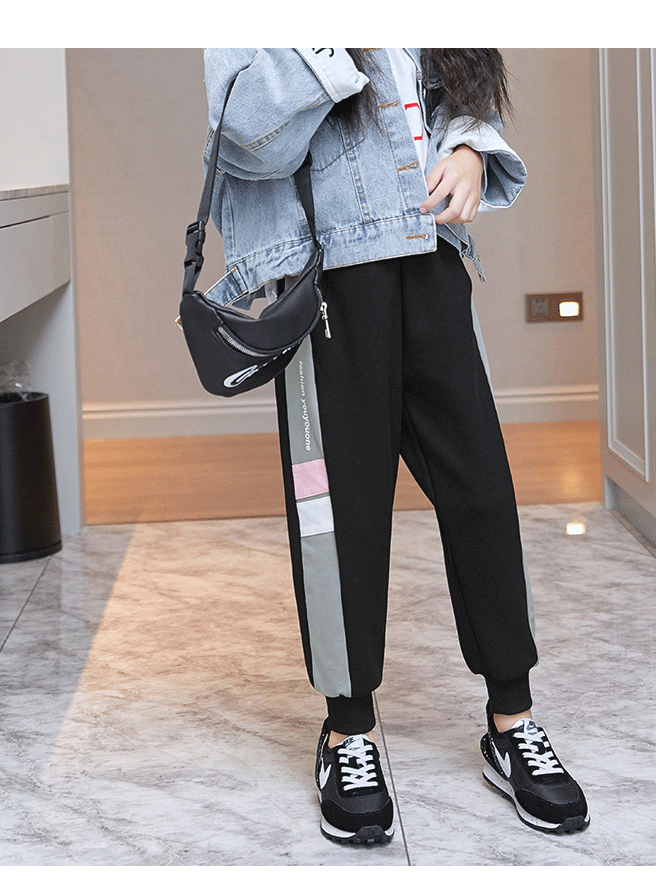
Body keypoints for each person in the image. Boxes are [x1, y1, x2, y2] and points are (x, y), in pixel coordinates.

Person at [202, 48, 589, 845]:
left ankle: (512, 720)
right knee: (339, 512)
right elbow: (243, 133)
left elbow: (456, 93)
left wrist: (471, 150)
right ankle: (348, 729)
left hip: (429, 255)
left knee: (482, 492)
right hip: (325, 277)